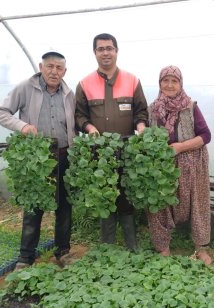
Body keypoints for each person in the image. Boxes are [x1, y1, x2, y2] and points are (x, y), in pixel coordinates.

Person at [0, 51, 75, 269]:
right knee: (33, 207)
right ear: (41, 67)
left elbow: (74, 125)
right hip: (37, 157)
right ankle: (25, 257)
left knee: (64, 207)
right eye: (50, 66)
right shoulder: (26, 88)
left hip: (64, 155)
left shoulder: (69, 93)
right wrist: (23, 126)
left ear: (64, 72)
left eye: (59, 68)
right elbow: (0, 112)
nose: (54, 71)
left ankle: (63, 252)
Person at [75, 33, 148, 250]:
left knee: (125, 195)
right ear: (95, 53)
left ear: (117, 51)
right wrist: (89, 128)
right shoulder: (84, 83)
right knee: (104, 195)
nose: (105, 52)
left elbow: (141, 111)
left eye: (109, 48)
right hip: (99, 151)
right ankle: (107, 246)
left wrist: (142, 127)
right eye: (101, 49)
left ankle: (131, 245)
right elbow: (79, 114)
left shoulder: (132, 80)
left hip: (126, 149)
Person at [147, 65, 212, 265]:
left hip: (192, 163)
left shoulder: (190, 106)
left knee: (197, 203)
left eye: (174, 81)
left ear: (180, 84)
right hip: (162, 166)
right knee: (158, 204)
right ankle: (163, 247)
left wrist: (181, 147)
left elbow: (206, 136)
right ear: (159, 84)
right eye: (165, 80)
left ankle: (201, 248)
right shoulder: (153, 109)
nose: (169, 85)